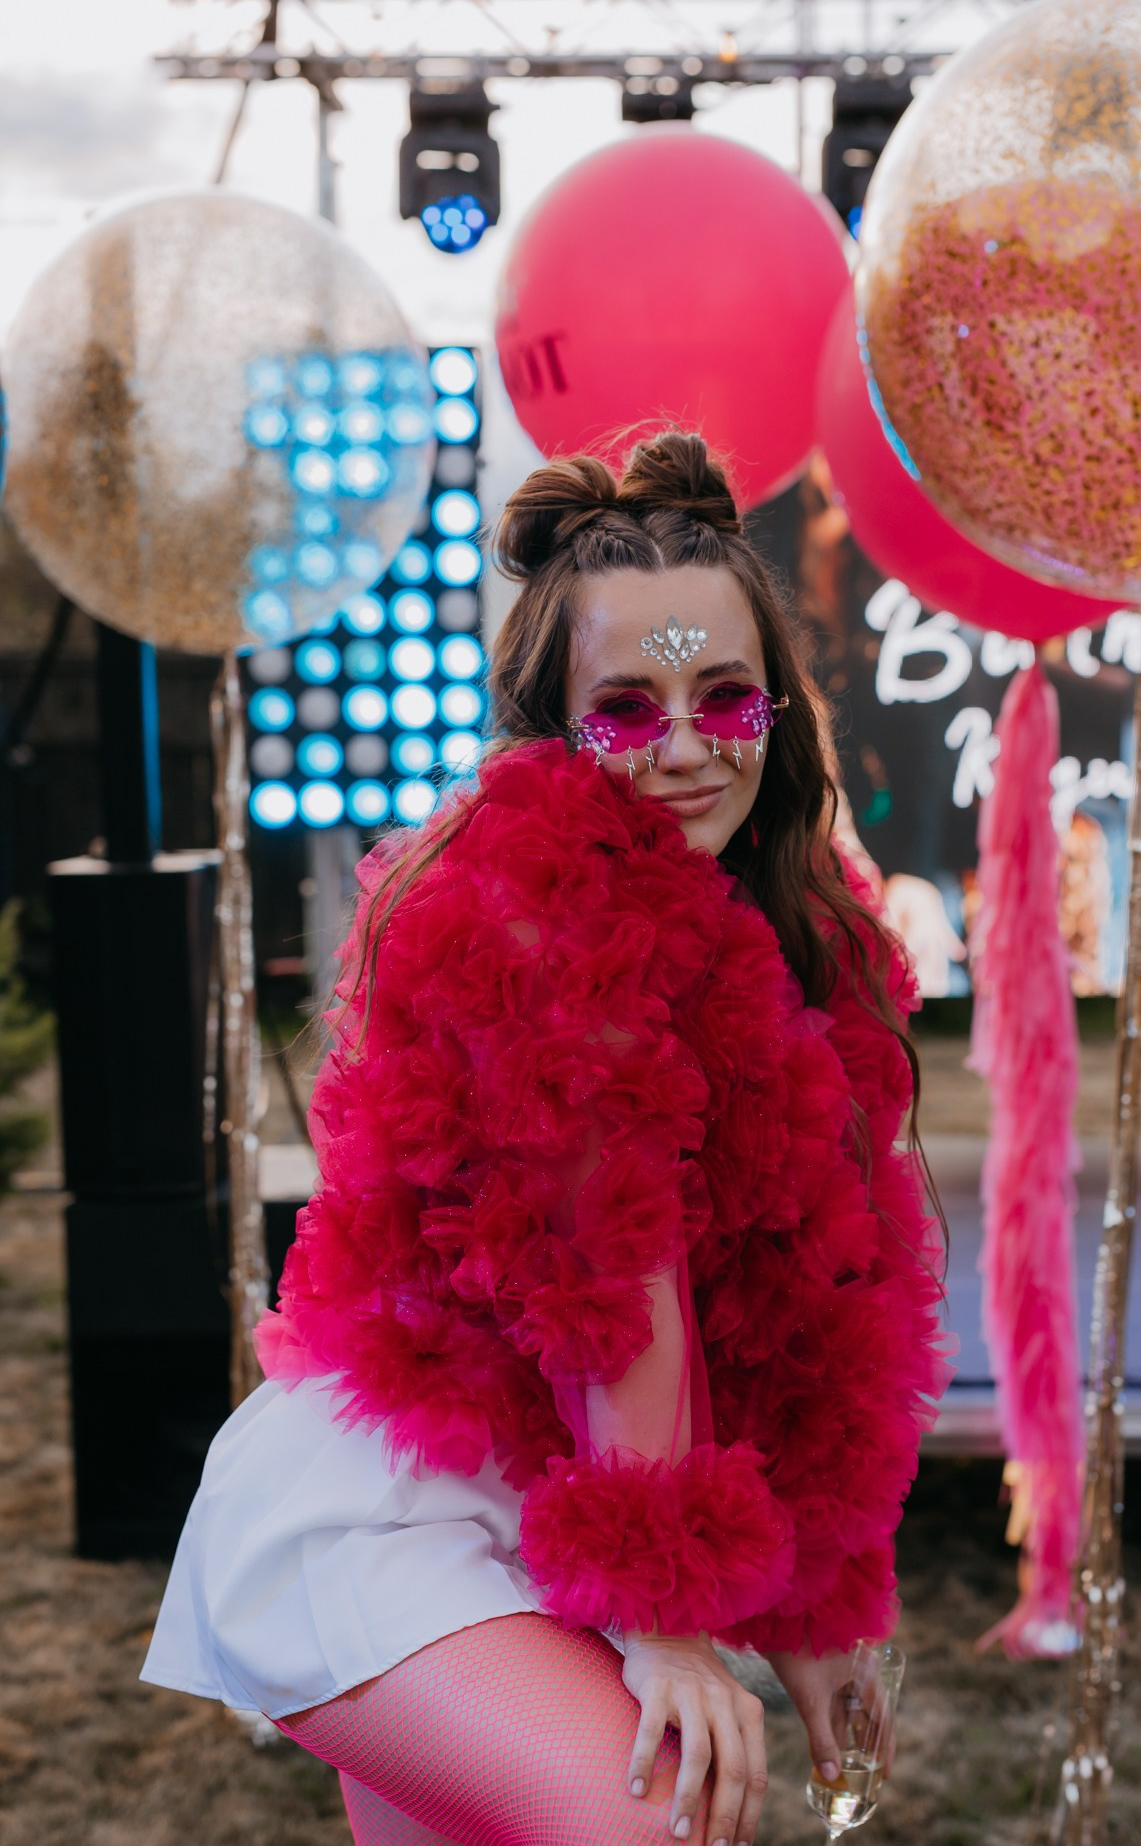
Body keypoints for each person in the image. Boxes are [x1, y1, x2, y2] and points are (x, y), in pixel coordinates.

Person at [142, 430, 952, 1846]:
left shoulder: (798, 937)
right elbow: (611, 1294)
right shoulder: (533, 913)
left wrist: (817, 1603)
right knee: (657, 1813)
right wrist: (668, 1619)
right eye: (629, 709)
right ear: (553, 727)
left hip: (555, 1495)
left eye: (726, 697)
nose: (689, 747)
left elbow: (800, 1315)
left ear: (780, 707)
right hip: (402, 1509)